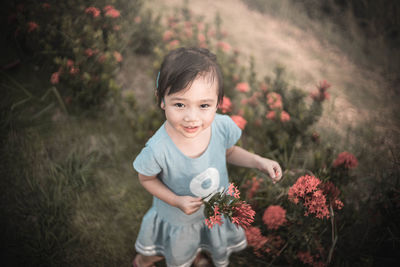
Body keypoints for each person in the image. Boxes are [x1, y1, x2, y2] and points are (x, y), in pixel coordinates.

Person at [132, 47, 282, 267]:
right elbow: (146, 178)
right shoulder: (158, 148)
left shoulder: (221, 127)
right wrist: (176, 200)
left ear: (218, 103)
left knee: (202, 237)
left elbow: (229, 151)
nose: (191, 118)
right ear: (162, 100)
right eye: (180, 104)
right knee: (162, 250)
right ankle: (143, 261)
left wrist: (258, 161)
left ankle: (196, 253)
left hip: (213, 208)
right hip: (178, 218)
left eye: (204, 105)